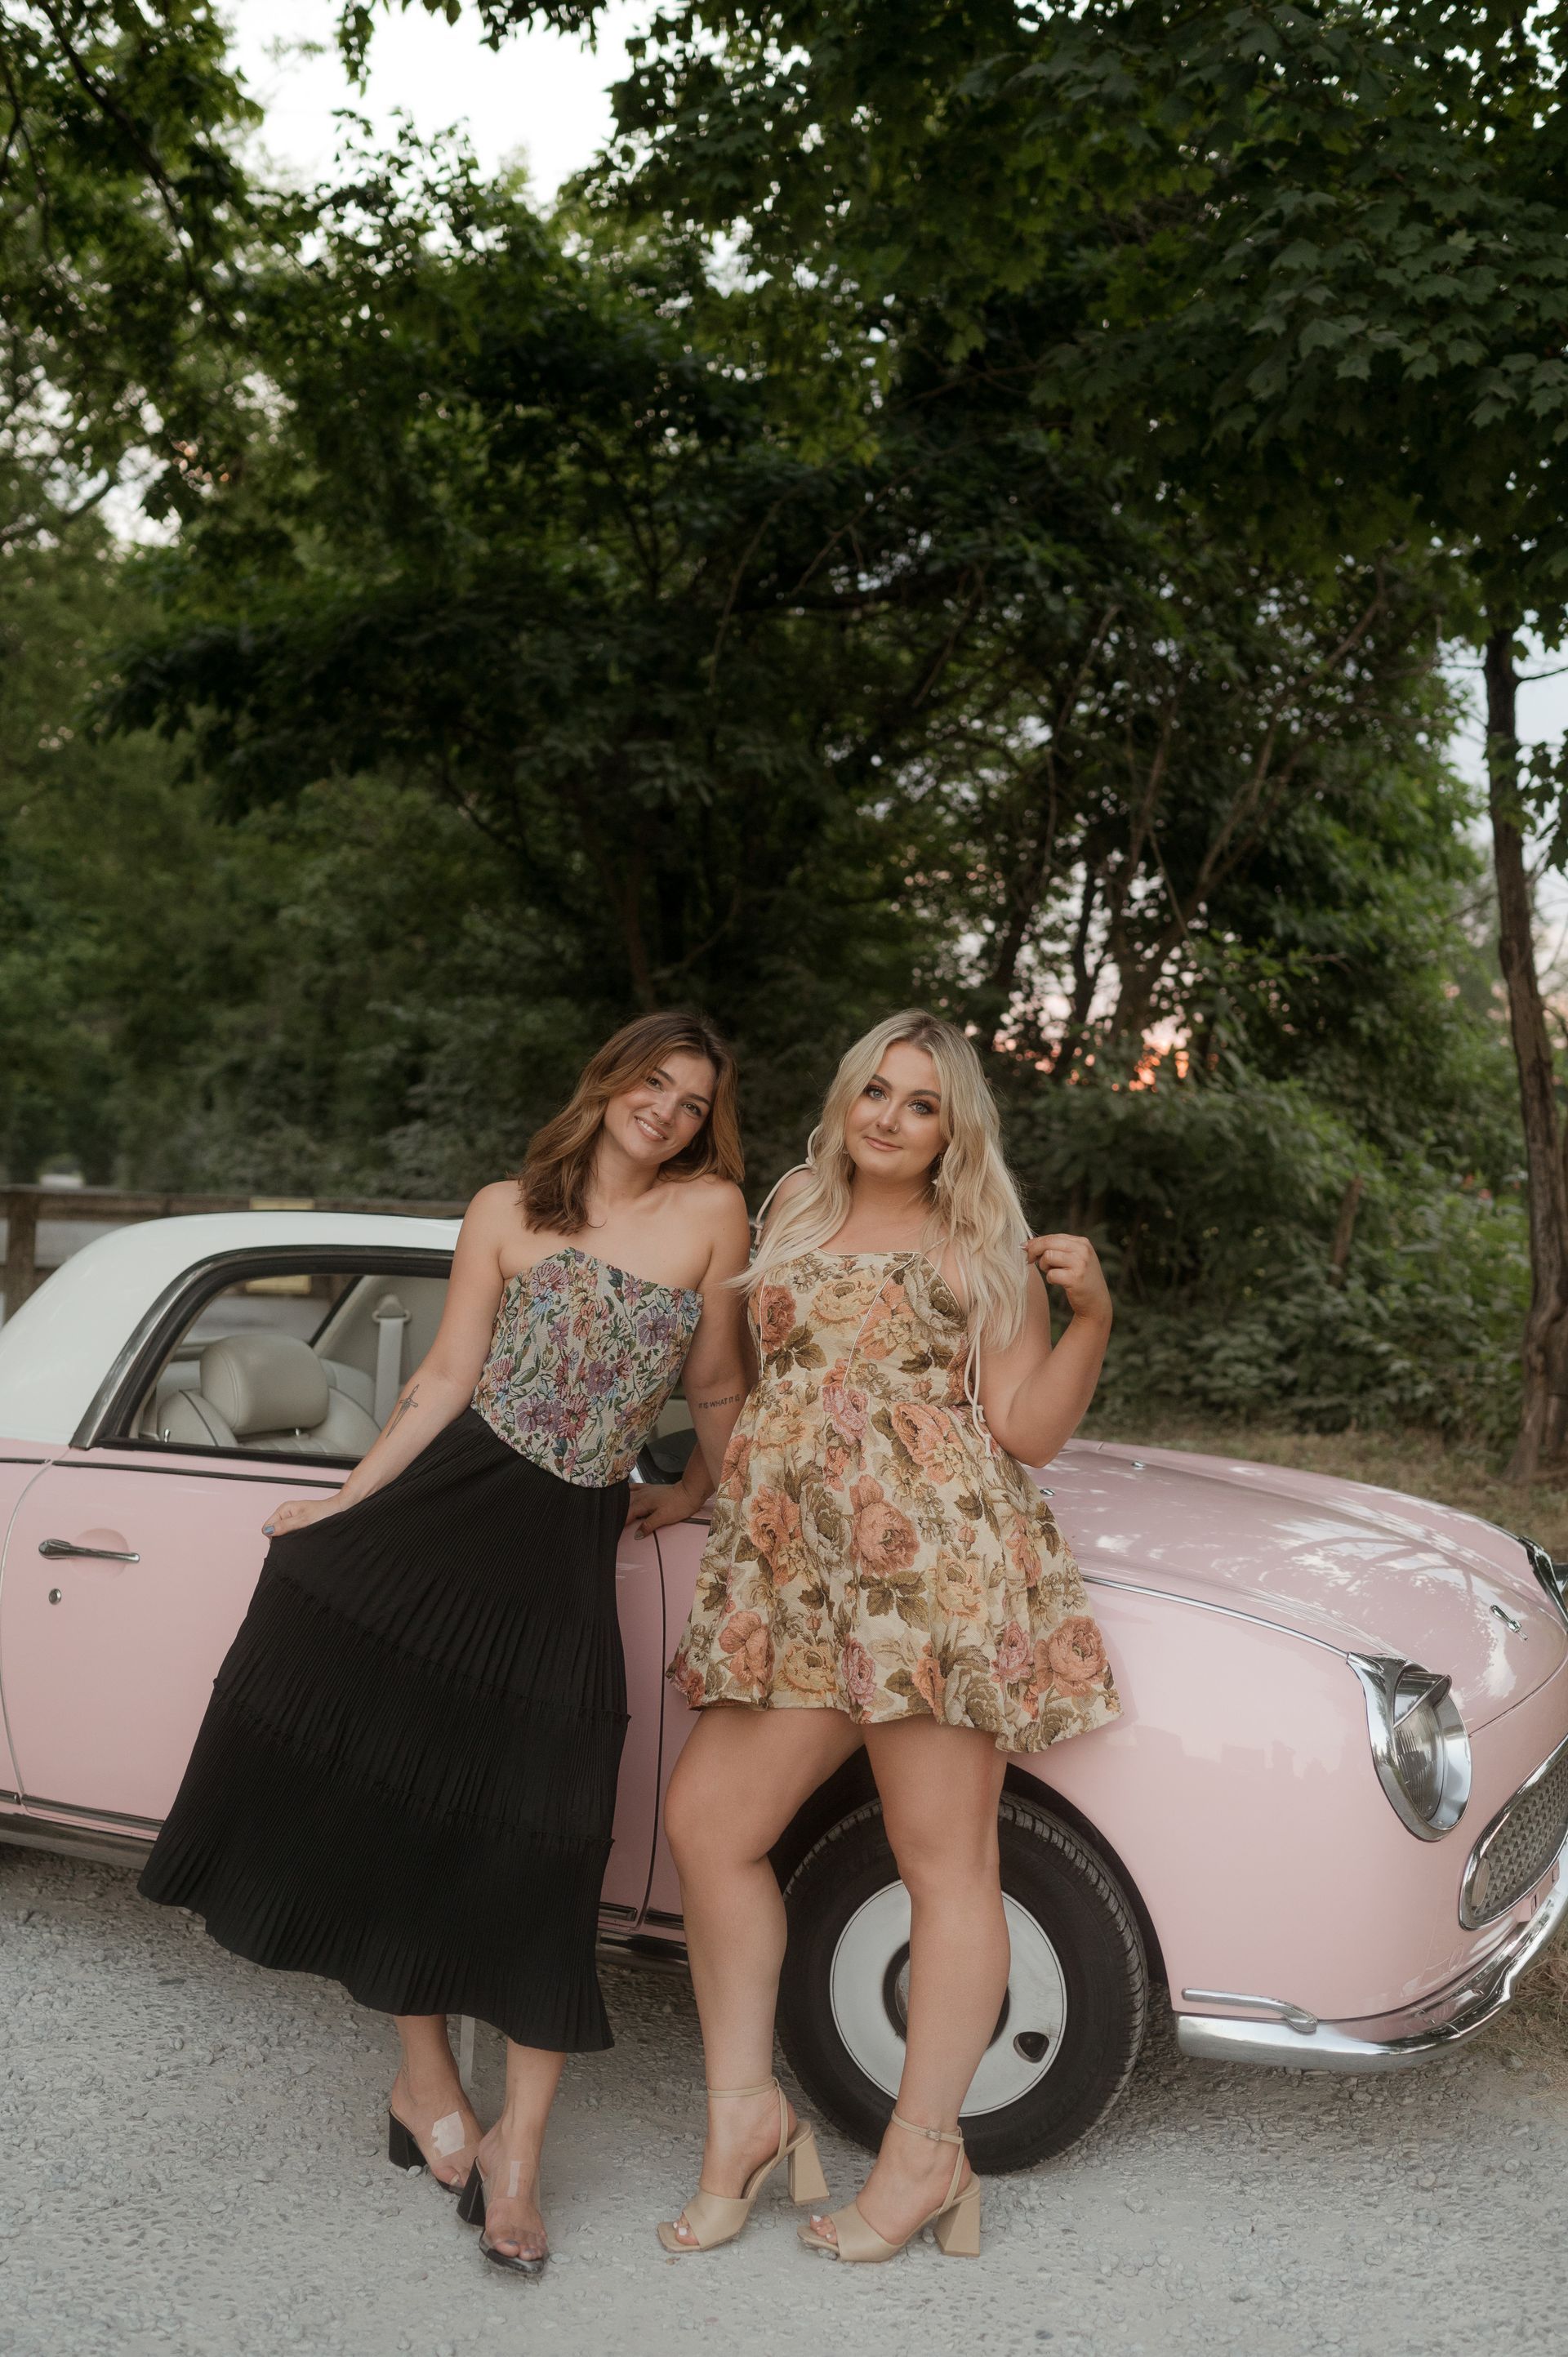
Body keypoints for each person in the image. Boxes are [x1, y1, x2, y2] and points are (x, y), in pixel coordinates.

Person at [139, 1012, 751, 2276]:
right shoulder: (504, 1208)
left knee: (548, 1833)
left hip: (564, 1554)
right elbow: (443, 1378)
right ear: (610, 1079)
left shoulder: (711, 1214)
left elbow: (718, 1385)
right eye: (654, 1083)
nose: (669, 1111)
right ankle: (423, 2081)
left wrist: (696, 1492)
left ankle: (520, 2152)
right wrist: (348, 1505)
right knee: (397, 1798)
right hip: (446, 1520)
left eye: (693, 1101)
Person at [660, 1009, 1120, 2264]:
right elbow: (740, 1382)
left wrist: (1090, 1322)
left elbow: (1024, 1428)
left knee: (945, 1861)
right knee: (709, 1822)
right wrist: (705, 1490)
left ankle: (925, 2154)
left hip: (929, 1576)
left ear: (950, 1123)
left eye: (919, 1101)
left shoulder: (983, 1240)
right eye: (875, 1088)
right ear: (845, 1097)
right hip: (797, 1573)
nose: (889, 1115)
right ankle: (746, 2117)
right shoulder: (797, 1202)